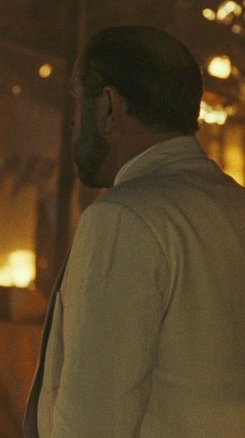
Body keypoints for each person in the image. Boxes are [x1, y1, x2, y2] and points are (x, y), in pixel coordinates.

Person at [24, 25, 245, 437]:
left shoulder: (123, 219)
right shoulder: (236, 207)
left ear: (109, 107)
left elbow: (92, 421)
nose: (73, 121)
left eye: (77, 100)